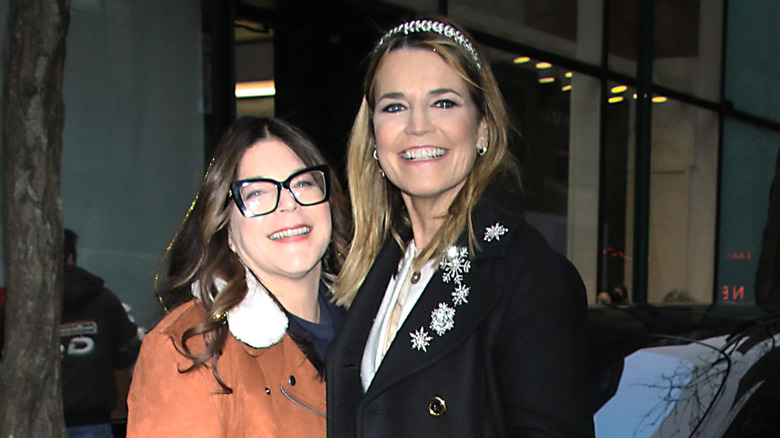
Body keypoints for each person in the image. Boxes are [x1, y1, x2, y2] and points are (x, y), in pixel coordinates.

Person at [326, 18, 594, 437]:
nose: (418, 126)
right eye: (394, 106)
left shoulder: (530, 275)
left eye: (444, 103)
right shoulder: (373, 269)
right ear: (374, 138)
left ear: (483, 127)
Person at [126, 117, 350, 437]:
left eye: (302, 183)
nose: (288, 204)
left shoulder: (376, 324)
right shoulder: (189, 348)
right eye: (257, 193)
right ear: (225, 225)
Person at [62, 229, 141, 437]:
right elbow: (126, 353)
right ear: (71, 257)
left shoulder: (23, 306)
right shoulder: (104, 301)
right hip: (93, 421)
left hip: (37, 420)